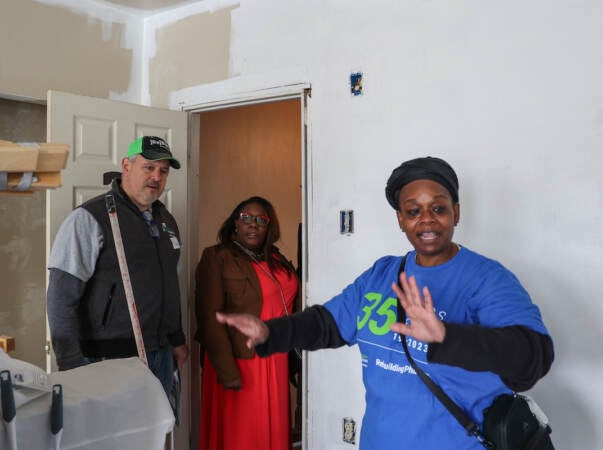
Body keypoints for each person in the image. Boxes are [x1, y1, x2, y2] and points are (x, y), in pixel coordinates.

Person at [217, 157, 554, 450]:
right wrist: (270, 332)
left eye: (438, 207)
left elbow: (534, 357)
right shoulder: (382, 274)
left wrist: (449, 338)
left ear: (457, 212)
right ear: (400, 219)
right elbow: (328, 324)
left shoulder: (487, 278)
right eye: (413, 210)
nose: (426, 218)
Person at [47, 135, 189, 399]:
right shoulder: (90, 218)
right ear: (126, 165)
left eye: (163, 171)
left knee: (153, 435)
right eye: (149, 167)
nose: (156, 177)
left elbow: (169, 286)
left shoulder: (166, 220)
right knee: (112, 438)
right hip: (108, 359)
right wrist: (70, 365)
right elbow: (60, 298)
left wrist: (177, 339)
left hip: (161, 354)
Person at [195, 196, 300, 450]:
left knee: (271, 434)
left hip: (274, 359)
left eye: (260, 220)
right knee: (243, 437)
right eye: (246, 218)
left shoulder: (276, 259)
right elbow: (209, 317)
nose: (253, 225)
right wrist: (227, 372)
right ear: (235, 224)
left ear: (269, 228)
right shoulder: (217, 257)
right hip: (240, 361)